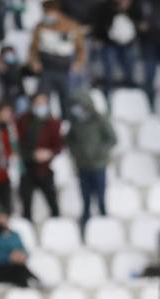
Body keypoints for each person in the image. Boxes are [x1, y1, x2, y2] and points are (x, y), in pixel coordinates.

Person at [64, 88, 116, 233]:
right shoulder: (75, 122)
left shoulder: (100, 119)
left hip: (98, 165)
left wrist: (100, 153)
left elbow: (112, 139)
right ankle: (86, 222)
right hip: (82, 165)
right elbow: (70, 141)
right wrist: (77, 154)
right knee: (85, 196)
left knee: (100, 195)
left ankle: (105, 223)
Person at [16, 91, 62, 220]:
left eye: (43, 103)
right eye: (38, 103)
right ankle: (27, 228)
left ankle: (56, 226)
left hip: (45, 169)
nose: (41, 105)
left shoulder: (53, 122)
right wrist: (32, 155)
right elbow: (18, 144)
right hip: (27, 168)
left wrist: (49, 153)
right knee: (26, 203)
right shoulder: (23, 120)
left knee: (53, 202)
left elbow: (58, 145)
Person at [0, 211, 38, 286]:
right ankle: (34, 282)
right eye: (0, 220)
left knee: (20, 269)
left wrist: (22, 255)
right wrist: (9, 257)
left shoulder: (15, 235)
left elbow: (23, 250)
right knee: (20, 271)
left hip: (16, 267)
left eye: (4, 219)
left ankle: (32, 284)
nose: (2, 222)